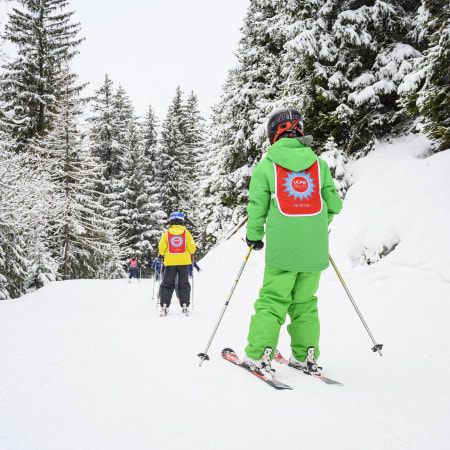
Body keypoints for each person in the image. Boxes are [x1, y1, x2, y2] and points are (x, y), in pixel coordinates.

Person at [242, 108, 343, 377]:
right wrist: (318, 226)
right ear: (299, 131)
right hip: (314, 250)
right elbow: (334, 205)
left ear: (273, 135)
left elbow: (257, 207)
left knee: (273, 300)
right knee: (305, 303)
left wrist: (254, 236)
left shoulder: (267, 166)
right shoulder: (318, 165)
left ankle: (260, 354)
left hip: (283, 250)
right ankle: (306, 355)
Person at [158, 211, 197, 315]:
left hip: (170, 262)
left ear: (171, 221)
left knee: (167, 284)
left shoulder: (166, 234)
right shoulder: (186, 233)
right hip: (184, 262)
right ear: (181, 221)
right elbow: (192, 248)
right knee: (183, 283)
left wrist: (162, 254)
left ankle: (165, 305)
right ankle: (185, 305)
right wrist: (191, 252)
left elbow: (161, 248)